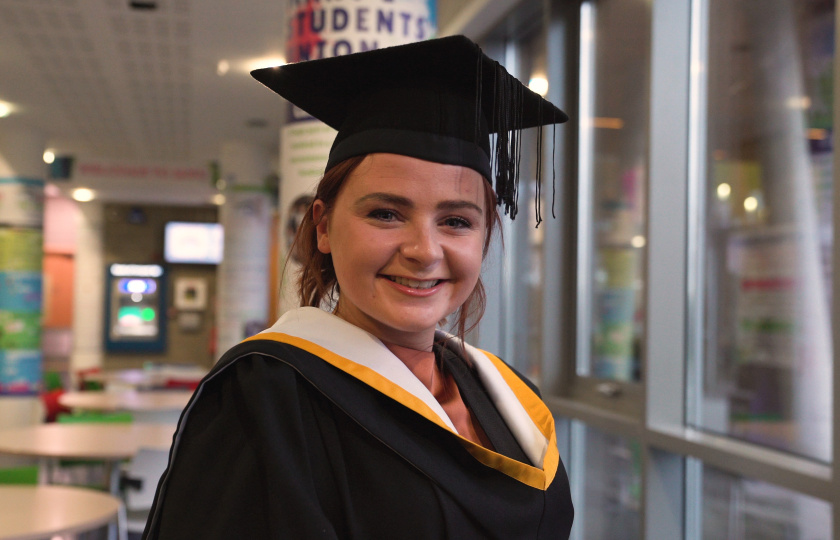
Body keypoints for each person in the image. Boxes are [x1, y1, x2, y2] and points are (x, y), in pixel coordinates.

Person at [143, 35, 574, 539]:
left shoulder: (509, 396)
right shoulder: (264, 400)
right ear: (322, 227)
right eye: (386, 213)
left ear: (484, 238)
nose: (424, 250)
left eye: (456, 221)